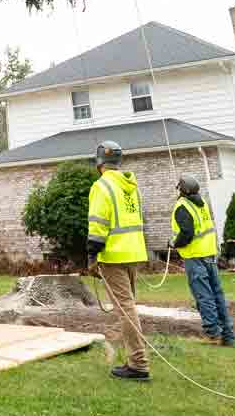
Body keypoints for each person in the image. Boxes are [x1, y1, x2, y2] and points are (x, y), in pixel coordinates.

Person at [87, 140, 149, 381]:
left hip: (113, 255)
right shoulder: (130, 186)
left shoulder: (101, 186)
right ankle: (134, 359)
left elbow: (98, 224)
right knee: (129, 307)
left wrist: (92, 256)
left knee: (125, 310)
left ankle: (139, 364)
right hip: (134, 252)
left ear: (99, 162)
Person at [171, 174, 235, 346]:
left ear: (181, 190)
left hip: (195, 257)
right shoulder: (202, 203)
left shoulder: (182, 207)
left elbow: (187, 234)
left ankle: (213, 334)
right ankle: (228, 334)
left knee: (204, 296)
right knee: (217, 295)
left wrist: (173, 243)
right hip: (209, 255)